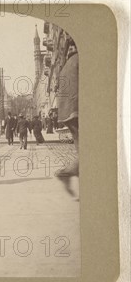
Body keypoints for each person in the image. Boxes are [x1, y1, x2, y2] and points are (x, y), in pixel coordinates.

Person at [54, 39, 79, 194]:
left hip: (67, 113)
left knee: (82, 148)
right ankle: (67, 172)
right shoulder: (81, 59)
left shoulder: (64, 67)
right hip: (79, 110)